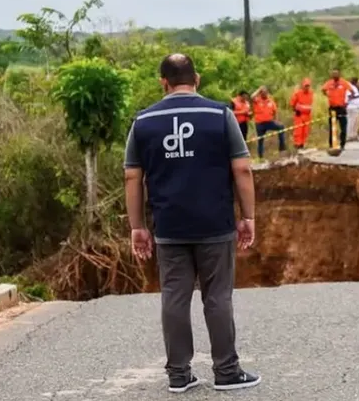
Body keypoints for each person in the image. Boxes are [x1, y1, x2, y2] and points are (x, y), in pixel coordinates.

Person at [123, 53, 260, 393]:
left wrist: (137, 227)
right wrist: (248, 217)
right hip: (215, 224)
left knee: (174, 297)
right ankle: (227, 372)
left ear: (163, 82)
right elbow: (242, 168)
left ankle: (179, 375)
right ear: (196, 79)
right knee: (217, 297)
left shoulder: (142, 122)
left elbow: (131, 176)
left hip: (169, 227)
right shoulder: (220, 114)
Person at [249, 86, 286, 158]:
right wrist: (259, 89)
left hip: (269, 122)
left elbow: (275, 112)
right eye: (262, 93)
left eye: (265, 93)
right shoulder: (257, 100)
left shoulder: (271, 101)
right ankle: (260, 158)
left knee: (281, 127)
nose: (264, 94)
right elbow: (252, 96)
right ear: (260, 94)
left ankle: (282, 148)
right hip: (260, 124)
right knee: (260, 141)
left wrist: (276, 120)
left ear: (267, 93)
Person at [322, 70, 353, 149]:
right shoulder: (329, 83)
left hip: (341, 108)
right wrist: (328, 96)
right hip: (332, 108)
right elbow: (323, 90)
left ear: (339, 74)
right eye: (333, 74)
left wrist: (347, 102)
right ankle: (332, 144)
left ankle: (342, 144)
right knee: (332, 127)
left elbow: (352, 92)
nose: (334, 75)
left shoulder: (344, 82)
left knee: (343, 127)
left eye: (336, 74)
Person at [289, 78, 313, 149]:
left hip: (307, 115)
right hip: (299, 115)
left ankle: (303, 144)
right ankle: (297, 145)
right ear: (303, 86)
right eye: (306, 86)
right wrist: (295, 110)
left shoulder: (311, 93)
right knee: (298, 131)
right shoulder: (298, 93)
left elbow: (310, 104)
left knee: (306, 131)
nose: (307, 87)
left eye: (308, 86)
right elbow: (292, 103)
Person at [346, 77, 359, 141]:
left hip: (356, 107)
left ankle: (354, 135)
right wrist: (357, 96)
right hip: (351, 107)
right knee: (351, 122)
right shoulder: (349, 87)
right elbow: (349, 96)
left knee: (356, 122)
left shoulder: (354, 87)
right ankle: (349, 136)